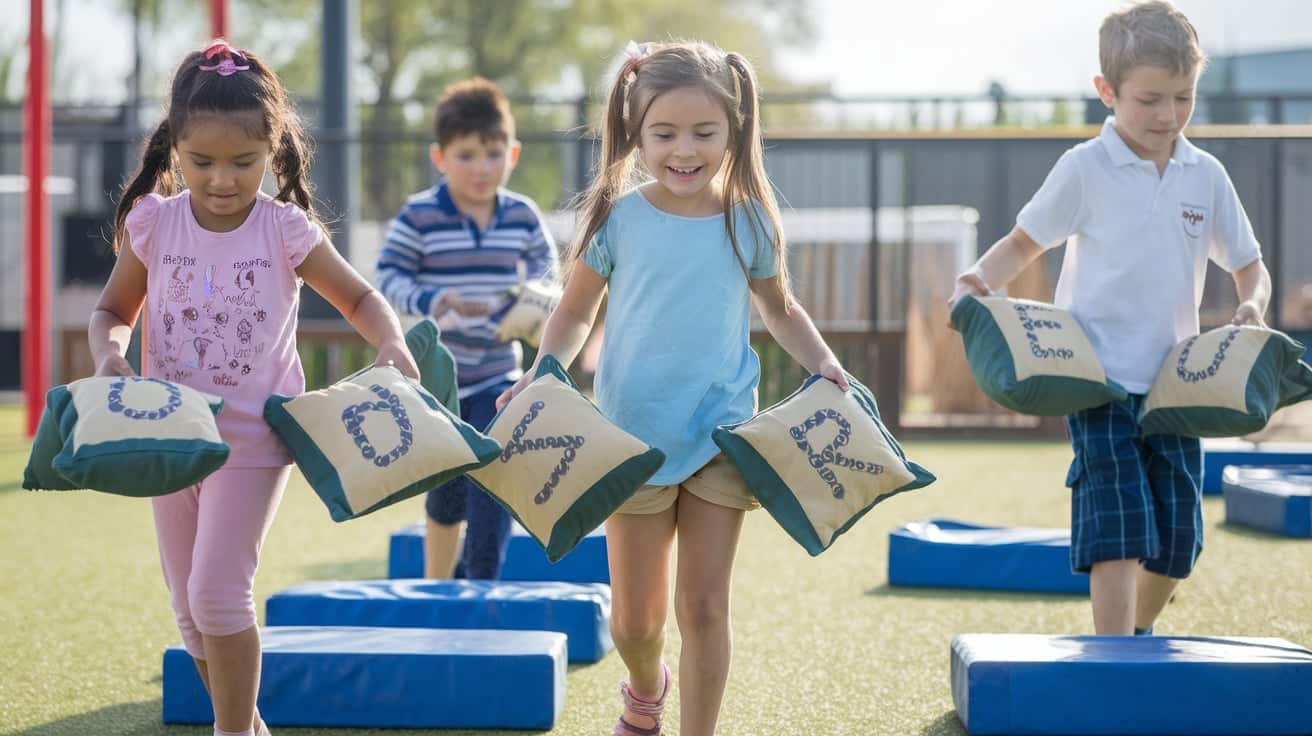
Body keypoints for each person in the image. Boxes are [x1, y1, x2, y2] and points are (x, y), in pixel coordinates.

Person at [496, 41, 851, 736]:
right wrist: (548, 369)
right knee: (635, 621)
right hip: (630, 437)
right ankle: (645, 684)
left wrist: (825, 365)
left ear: (735, 131)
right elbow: (572, 311)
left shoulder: (748, 219)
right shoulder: (617, 218)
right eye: (664, 134)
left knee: (705, 609)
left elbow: (779, 309)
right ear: (636, 133)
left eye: (703, 133)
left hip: (721, 434)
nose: (683, 150)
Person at [90, 40, 420, 736]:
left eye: (242, 162)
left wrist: (390, 340)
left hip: (250, 445)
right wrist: (110, 356)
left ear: (272, 151)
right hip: (169, 441)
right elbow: (113, 312)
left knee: (217, 597)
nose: (220, 178)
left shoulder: (285, 231)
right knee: (190, 615)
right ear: (173, 146)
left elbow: (360, 299)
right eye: (201, 161)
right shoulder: (155, 223)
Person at [949, 1, 1271, 636]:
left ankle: (1136, 637)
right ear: (1108, 91)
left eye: (1183, 98)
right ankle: (1114, 656)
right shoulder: (1083, 168)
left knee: (1179, 543)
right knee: (1119, 527)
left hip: (1178, 386)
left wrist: (1252, 304)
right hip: (1094, 379)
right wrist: (976, 281)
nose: (1168, 115)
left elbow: (1249, 263)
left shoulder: (1205, 176)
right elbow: (1024, 241)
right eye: (1150, 99)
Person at [375, 78, 558, 580]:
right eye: (467, 155)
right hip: (441, 381)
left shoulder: (522, 216)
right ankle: (438, 586)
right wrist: (437, 300)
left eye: (493, 153)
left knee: (494, 477)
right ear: (440, 157)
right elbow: (387, 277)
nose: (482, 167)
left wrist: (528, 306)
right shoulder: (420, 215)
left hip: (500, 375)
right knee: (449, 487)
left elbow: (549, 272)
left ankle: (481, 584)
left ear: (513, 154)